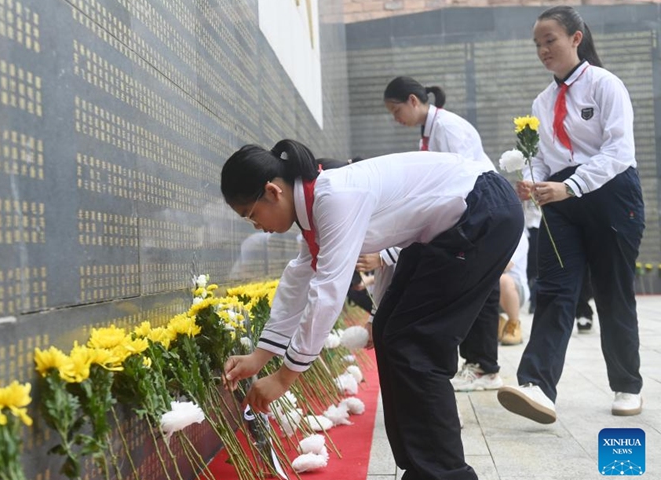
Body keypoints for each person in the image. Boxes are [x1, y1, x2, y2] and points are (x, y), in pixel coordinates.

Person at [221, 139, 523, 479]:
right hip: (455, 221)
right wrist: (260, 358)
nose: (256, 226)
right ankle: (423, 470)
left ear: (273, 192)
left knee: (416, 345)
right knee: (391, 334)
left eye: (251, 215)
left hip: (482, 211)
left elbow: (328, 291)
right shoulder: (315, 208)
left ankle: (445, 474)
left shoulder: (332, 197)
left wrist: (285, 376)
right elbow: (300, 278)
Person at [498, 6, 645, 424]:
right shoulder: (541, 102)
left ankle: (627, 385)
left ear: (575, 39)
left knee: (613, 290)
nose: (543, 50)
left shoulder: (605, 85)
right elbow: (545, 159)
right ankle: (538, 386)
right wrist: (534, 182)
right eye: (538, 44)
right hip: (560, 202)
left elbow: (618, 152)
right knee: (556, 290)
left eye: (551, 40)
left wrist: (571, 185)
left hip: (612, 194)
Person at [384, 76, 503, 392]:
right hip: (471, 212)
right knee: (477, 288)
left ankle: (484, 367)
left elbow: (464, 177)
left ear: (413, 100)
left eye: (396, 110)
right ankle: (479, 363)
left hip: (481, 210)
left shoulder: (448, 129)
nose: (396, 119)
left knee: (481, 289)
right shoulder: (429, 131)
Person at [498, 228, 530, 346]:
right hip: (492, 287)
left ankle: (513, 324)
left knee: (502, 280)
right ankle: (497, 323)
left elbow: (505, 265)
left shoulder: (519, 235)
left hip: (515, 289)